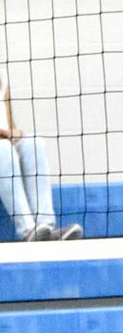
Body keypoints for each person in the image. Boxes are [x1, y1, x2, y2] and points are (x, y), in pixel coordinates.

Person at [0, 68, 82, 242]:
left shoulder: (2, 74)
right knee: (4, 149)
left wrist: (15, 133)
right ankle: (27, 229)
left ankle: (46, 227)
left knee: (34, 143)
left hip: (4, 141)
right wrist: (6, 134)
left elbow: (7, 120)